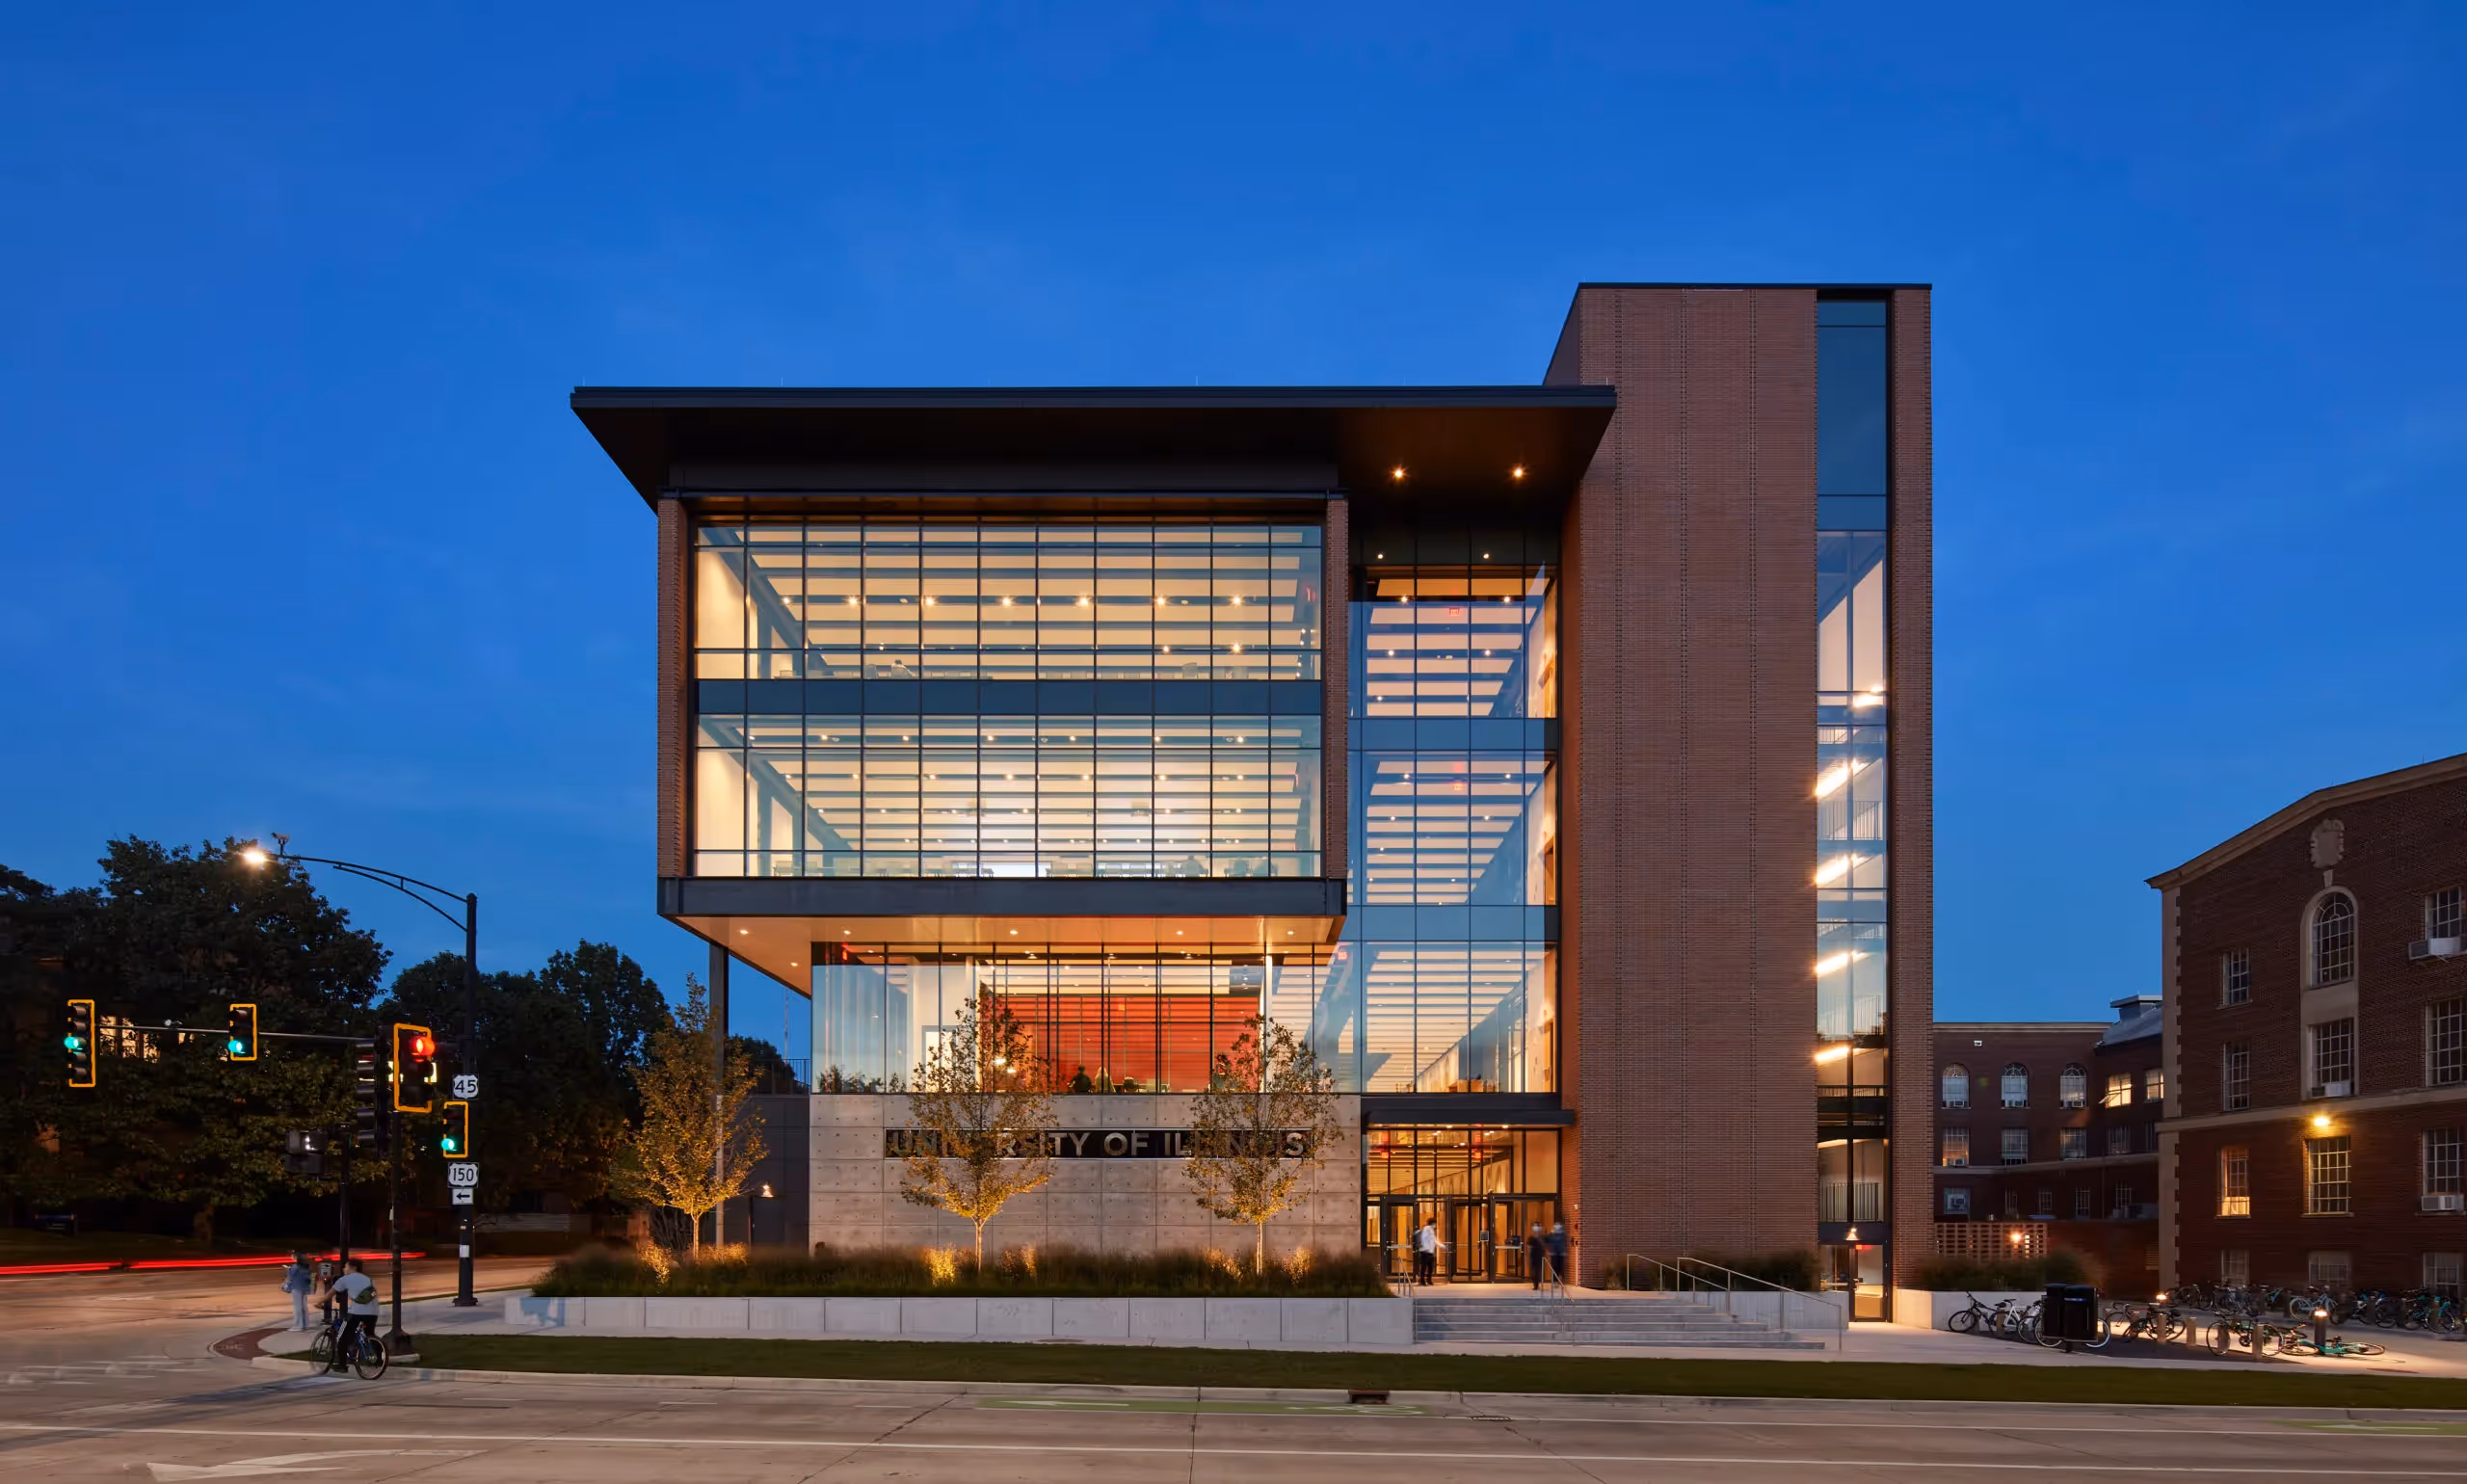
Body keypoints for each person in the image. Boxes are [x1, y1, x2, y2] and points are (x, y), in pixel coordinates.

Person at [328, 1259, 379, 1370]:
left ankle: (342, 1366)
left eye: (345, 1266)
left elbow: (329, 1294)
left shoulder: (345, 1279)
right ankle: (379, 1359)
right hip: (373, 1312)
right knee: (370, 1335)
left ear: (353, 1267)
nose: (344, 1269)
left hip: (357, 1313)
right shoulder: (369, 1279)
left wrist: (318, 1303)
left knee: (342, 1337)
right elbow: (374, 1294)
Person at [279, 1252, 313, 1331]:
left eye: (293, 1256)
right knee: (304, 1306)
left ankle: (298, 1325)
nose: (291, 1257)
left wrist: (284, 1283)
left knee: (297, 1307)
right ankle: (305, 1324)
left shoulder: (295, 1266)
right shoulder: (307, 1266)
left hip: (296, 1288)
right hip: (305, 1287)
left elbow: (290, 1277)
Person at [1413, 1218, 1445, 1285]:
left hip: (1429, 1252)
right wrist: (1442, 1246)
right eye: (1436, 1223)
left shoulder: (1430, 1229)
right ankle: (1423, 1280)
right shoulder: (1428, 1229)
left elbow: (1433, 1240)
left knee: (1430, 1267)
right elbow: (1430, 1239)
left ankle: (1427, 1279)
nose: (1436, 1225)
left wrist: (1440, 1246)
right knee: (1425, 1267)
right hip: (1426, 1252)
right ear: (1433, 1223)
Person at [1544, 1221, 1570, 1288]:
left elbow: (1565, 1243)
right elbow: (1547, 1241)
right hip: (1554, 1254)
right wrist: (1549, 1250)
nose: (1557, 1226)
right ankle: (1555, 1281)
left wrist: (1565, 1251)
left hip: (1561, 1253)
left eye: (1558, 1225)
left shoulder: (1563, 1234)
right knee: (1554, 1267)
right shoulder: (1551, 1234)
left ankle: (1562, 1281)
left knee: (1561, 1267)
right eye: (1556, 1225)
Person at [1525, 1224, 1547, 1290]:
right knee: (1532, 1272)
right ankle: (1535, 1283)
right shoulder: (1531, 1238)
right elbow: (1528, 1248)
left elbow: (1544, 1247)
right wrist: (1527, 1257)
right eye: (1534, 1228)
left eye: (1537, 1228)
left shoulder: (1542, 1238)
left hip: (1540, 1257)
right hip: (1533, 1257)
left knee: (1537, 1271)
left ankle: (1536, 1285)